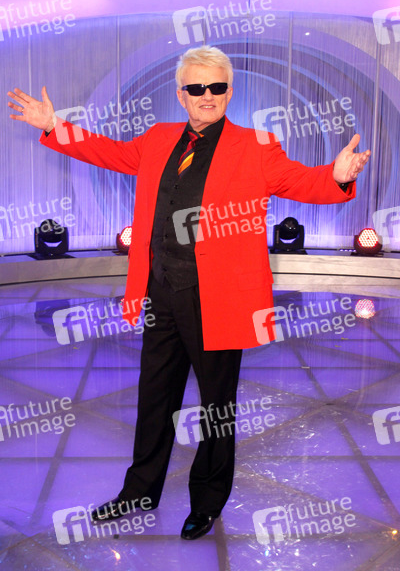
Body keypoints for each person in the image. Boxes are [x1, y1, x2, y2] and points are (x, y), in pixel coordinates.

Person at [7, 45, 370, 540]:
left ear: (229, 92)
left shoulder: (255, 145)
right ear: (181, 94)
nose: (207, 96)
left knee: (216, 408)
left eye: (216, 87)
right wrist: (53, 125)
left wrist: (336, 176)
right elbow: (107, 151)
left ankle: (208, 500)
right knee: (154, 398)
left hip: (219, 299)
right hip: (160, 292)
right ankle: (139, 492)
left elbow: (298, 181)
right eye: (196, 87)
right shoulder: (158, 138)